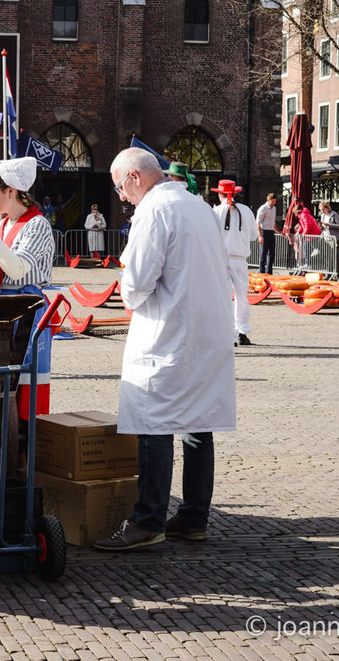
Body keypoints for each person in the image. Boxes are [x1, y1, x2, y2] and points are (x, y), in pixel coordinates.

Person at [95, 148, 236, 550]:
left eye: (121, 187)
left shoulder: (155, 211)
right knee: (197, 424)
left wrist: (131, 295)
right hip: (207, 331)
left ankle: (148, 520)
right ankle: (194, 517)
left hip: (168, 331)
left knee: (153, 423)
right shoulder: (200, 206)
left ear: (136, 178)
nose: (122, 197)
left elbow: (137, 282)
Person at [0, 156, 56, 475]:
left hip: (26, 311)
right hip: (0, 313)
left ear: (13, 190)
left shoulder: (37, 225)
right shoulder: (0, 223)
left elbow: (18, 268)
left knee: (23, 395)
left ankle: (24, 470)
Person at [211, 180, 257, 346]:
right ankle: (242, 331)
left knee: (224, 297)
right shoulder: (246, 211)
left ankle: (229, 333)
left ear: (219, 193)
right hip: (241, 258)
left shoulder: (215, 211)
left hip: (222, 258)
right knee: (241, 296)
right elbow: (253, 235)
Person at [255, 192, 277, 273]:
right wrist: (260, 235)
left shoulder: (274, 208)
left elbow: (273, 221)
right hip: (264, 231)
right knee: (263, 254)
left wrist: (278, 231)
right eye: (272, 201)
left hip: (271, 231)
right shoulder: (263, 208)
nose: (274, 203)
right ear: (268, 200)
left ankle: (269, 273)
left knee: (272, 253)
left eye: (275, 201)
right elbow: (258, 222)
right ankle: (261, 272)